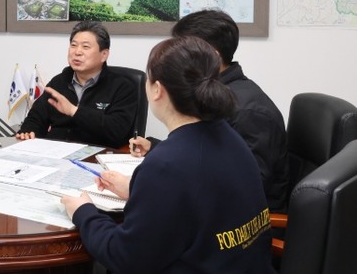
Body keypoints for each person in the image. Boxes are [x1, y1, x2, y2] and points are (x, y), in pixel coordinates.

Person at [61, 36, 274, 273]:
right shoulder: (228, 135)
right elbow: (201, 197)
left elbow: (125, 258)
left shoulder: (166, 164)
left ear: (157, 90)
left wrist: (83, 211)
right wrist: (136, 189)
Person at [130, 9, 289, 212]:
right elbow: (209, 156)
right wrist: (154, 147)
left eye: (184, 49)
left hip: (244, 222)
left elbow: (246, 186)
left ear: (212, 55)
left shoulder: (248, 111)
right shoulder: (212, 95)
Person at [16, 20, 138, 148]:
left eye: (85, 47)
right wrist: (28, 132)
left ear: (104, 55)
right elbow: (36, 118)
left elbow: (117, 131)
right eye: (73, 45)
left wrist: (74, 111)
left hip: (97, 155)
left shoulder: (123, 87)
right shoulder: (59, 82)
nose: (77, 52)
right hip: (55, 153)